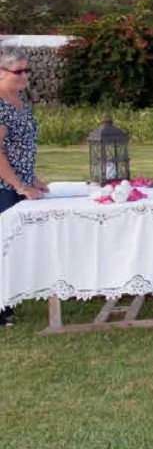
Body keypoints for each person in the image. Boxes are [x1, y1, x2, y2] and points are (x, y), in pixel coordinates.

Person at [0, 48, 48, 327]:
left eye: (27, 71)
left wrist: (33, 178)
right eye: (19, 71)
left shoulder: (19, 100)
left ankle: (8, 300)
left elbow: (22, 147)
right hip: (4, 187)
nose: (25, 76)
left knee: (12, 246)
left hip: (18, 185)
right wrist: (19, 184)